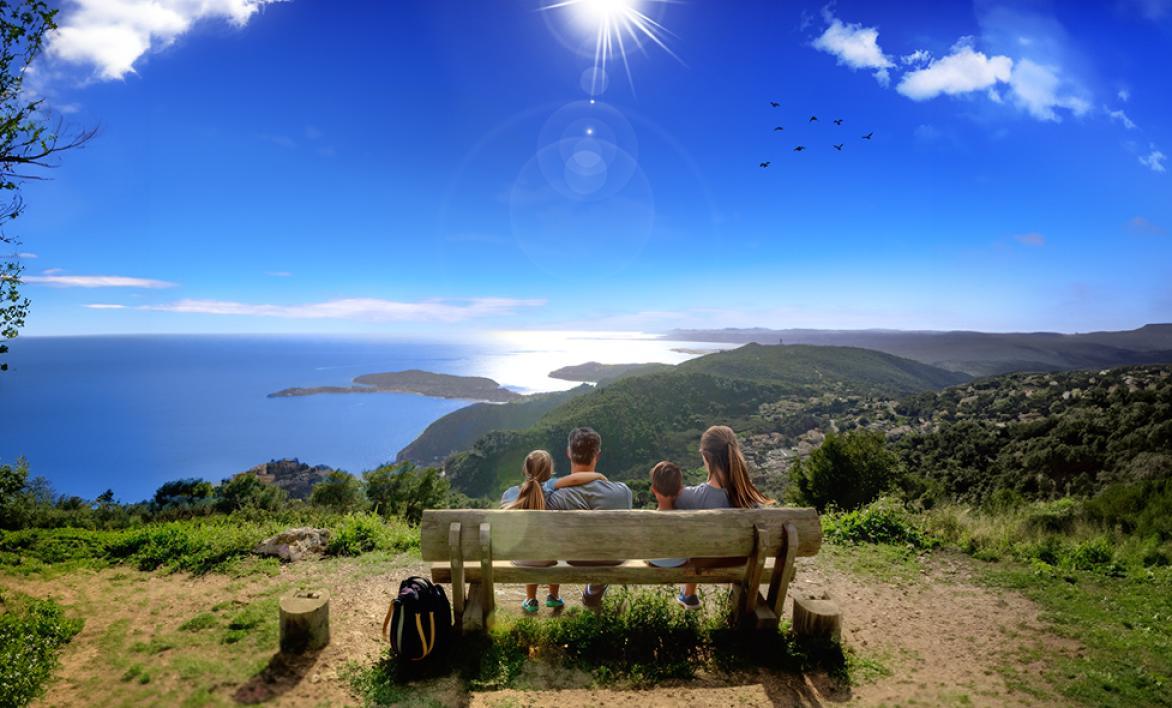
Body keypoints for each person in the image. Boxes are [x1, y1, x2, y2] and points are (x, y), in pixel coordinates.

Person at [674, 425, 773, 610]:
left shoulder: (690, 497)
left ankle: (689, 594)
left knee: (694, 539)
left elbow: (666, 504)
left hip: (704, 563)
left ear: (706, 457)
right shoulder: (750, 499)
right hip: (740, 562)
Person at [501, 449, 608, 614]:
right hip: (549, 557)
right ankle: (553, 596)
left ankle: (531, 599)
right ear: (550, 471)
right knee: (551, 548)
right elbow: (575, 479)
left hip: (522, 558)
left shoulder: (511, 493)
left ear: (525, 469)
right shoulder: (552, 488)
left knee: (531, 545)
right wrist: (598, 476)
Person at [546, 427, 633, 609]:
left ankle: (593, 591)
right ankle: (594, 591)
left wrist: (554, 483)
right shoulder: (623, 492)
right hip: (612, 558)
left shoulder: (555, 497)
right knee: (604, 547)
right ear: (597, 455)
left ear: (568, 453)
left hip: (574, 558)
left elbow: (529, 490)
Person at [646, 460, 687, 569]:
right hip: (680, 563)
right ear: (679, 490)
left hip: (655, 563)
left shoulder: (647, 520)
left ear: (653, 490)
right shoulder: (686, 518)